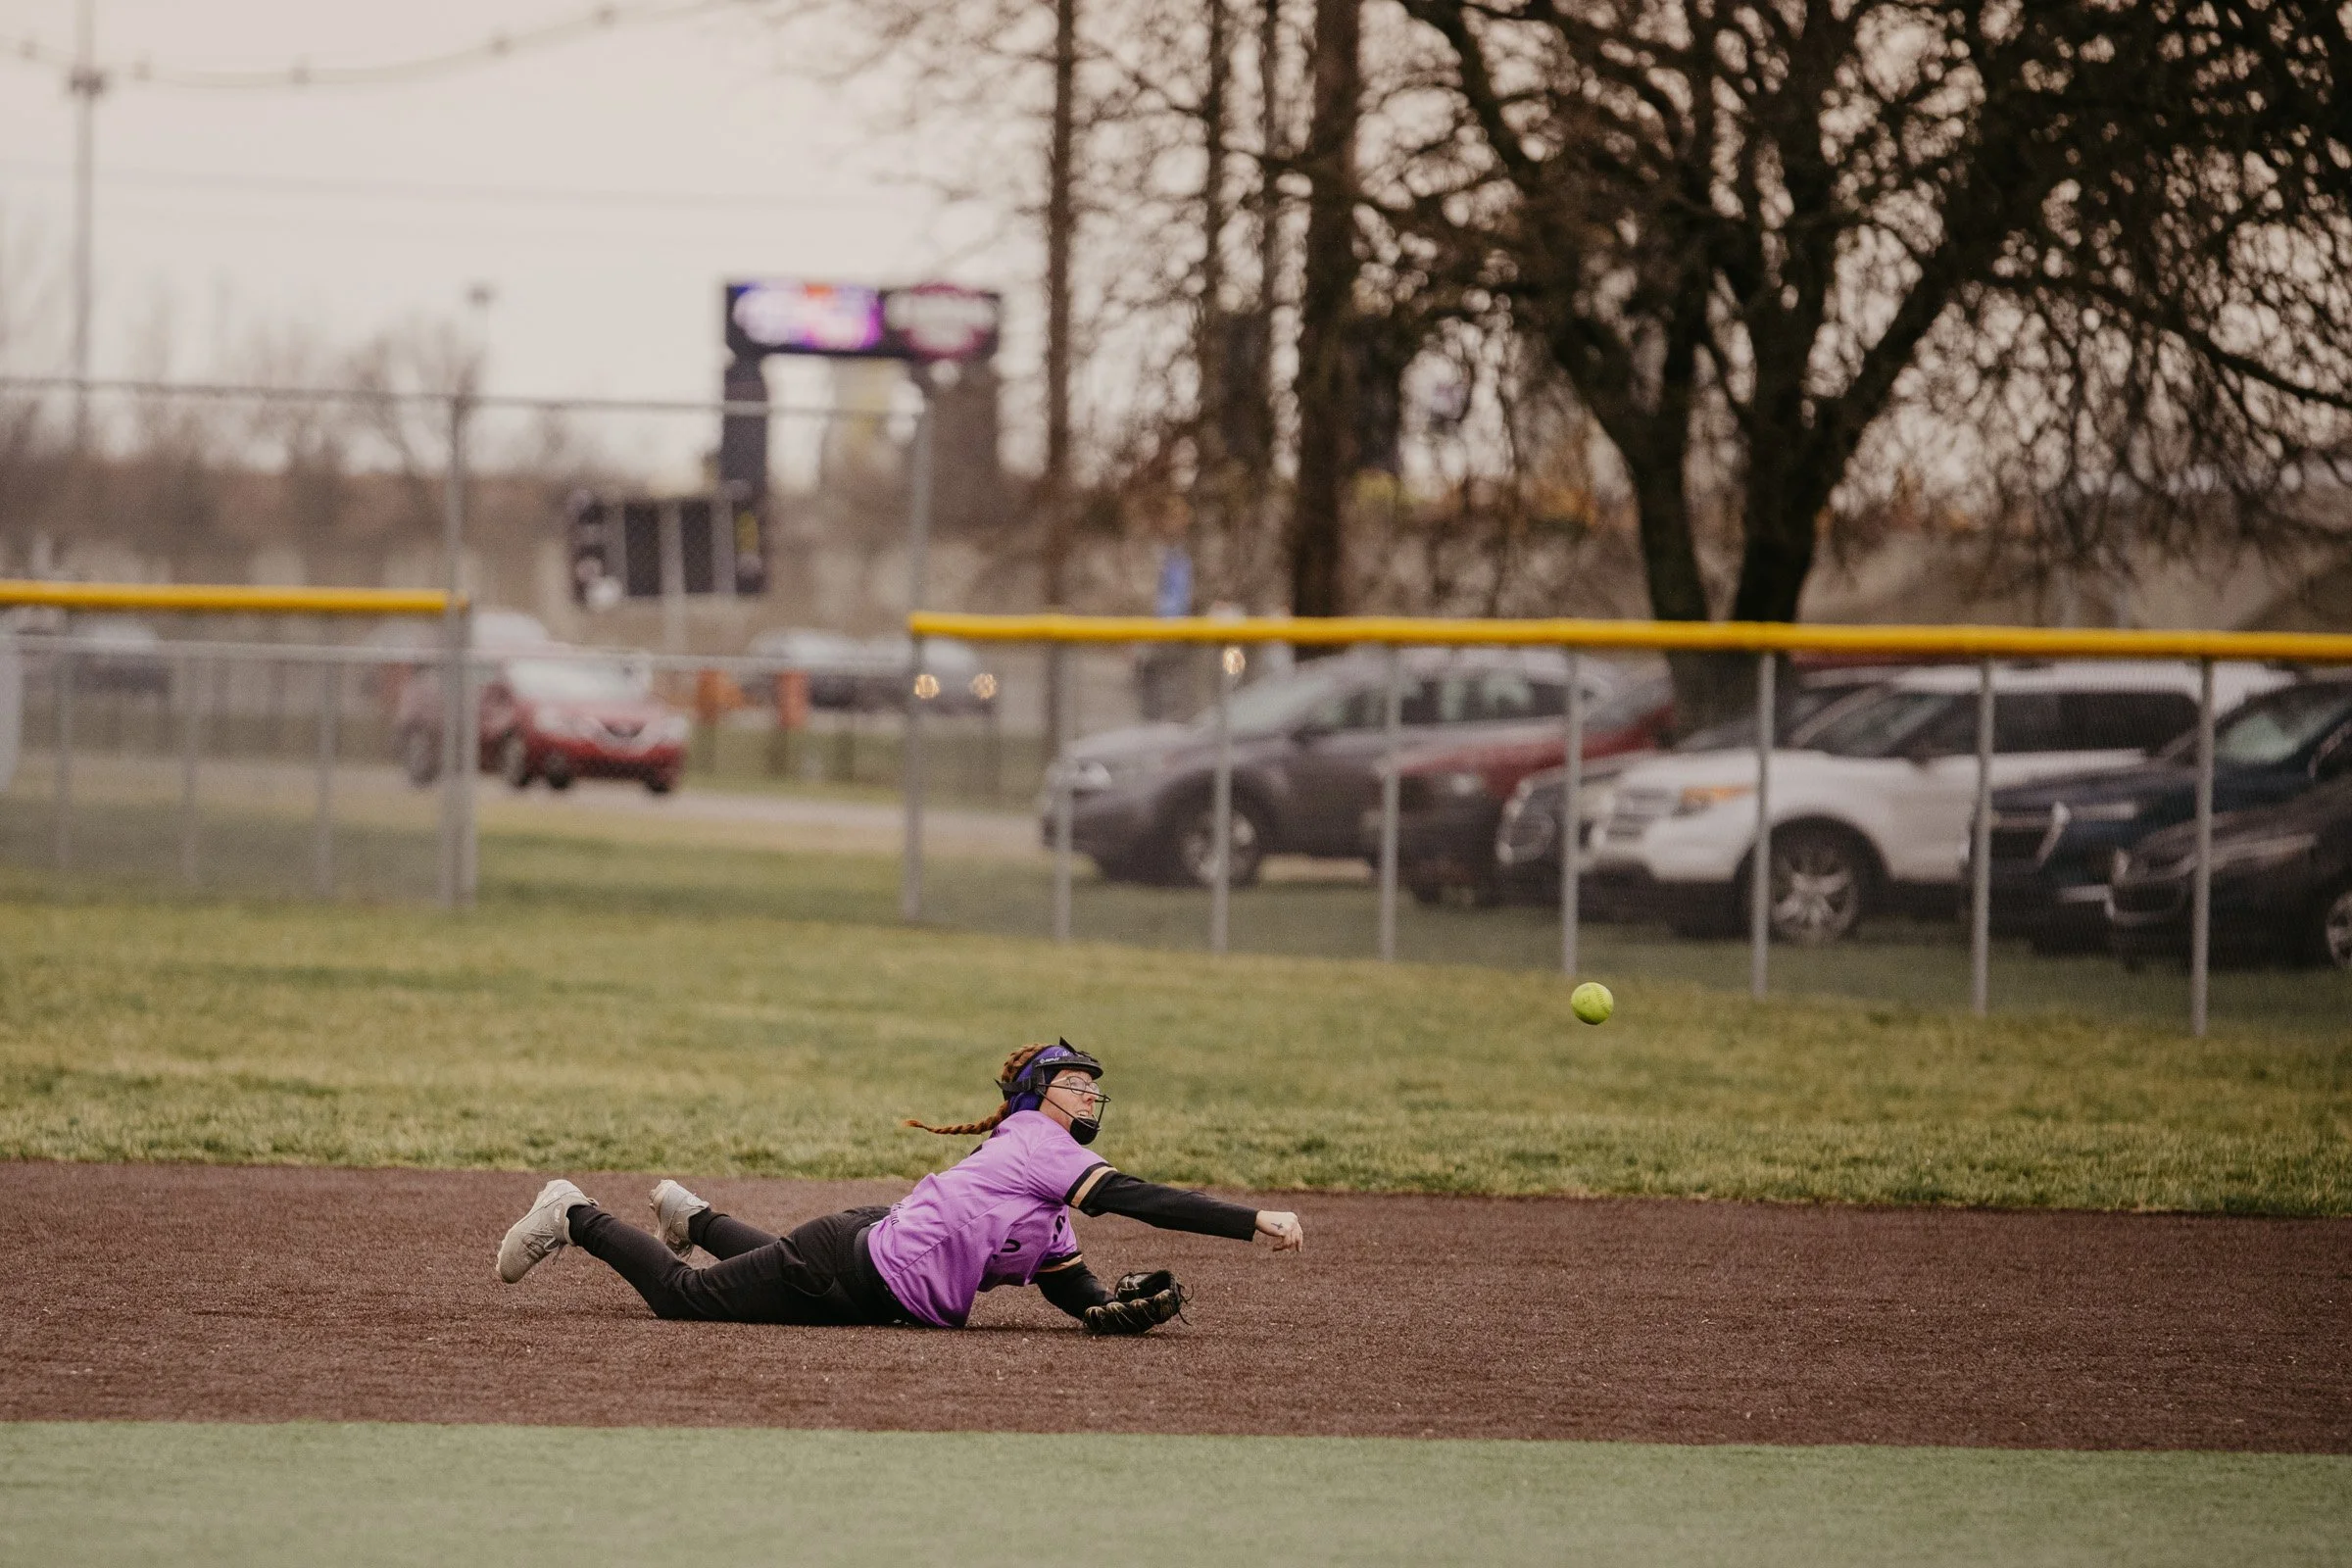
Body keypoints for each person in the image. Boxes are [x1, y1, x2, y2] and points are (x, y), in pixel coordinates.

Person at [493, 1041, 1303, 1334]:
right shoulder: (1036, 1143)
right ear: (1040, 1099)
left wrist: (1103, 1312)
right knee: (682, 1301)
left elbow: (1068, 1279)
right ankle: (575, 1211)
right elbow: (1138, 1198)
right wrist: (1250, 1219)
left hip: (864, 1265)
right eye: (1077, 1084)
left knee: (774, 1271)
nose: (1091, 1096)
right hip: (849, 1268)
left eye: (1095, 1087)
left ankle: (692, 1214)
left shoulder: (1043, 1196)